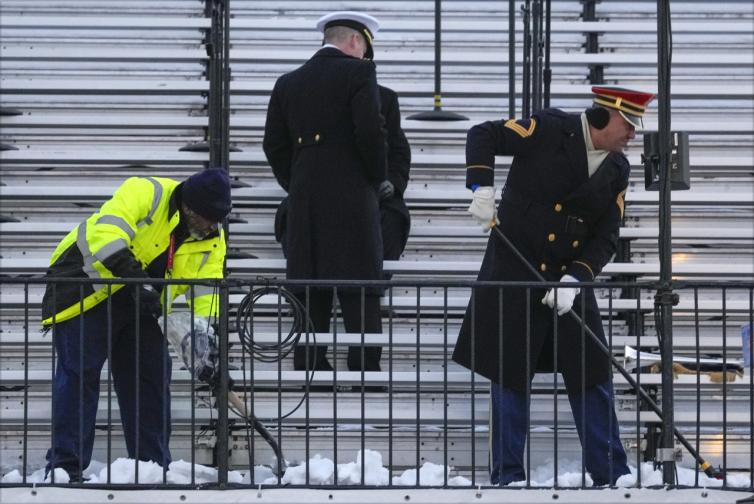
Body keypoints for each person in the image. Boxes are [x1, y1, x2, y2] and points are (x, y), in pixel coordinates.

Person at [452, 87, 656, 486]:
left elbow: (606, 237)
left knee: (592, 373)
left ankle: (612, 474)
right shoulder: (547, 128)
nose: (634, 133)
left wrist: (576, 278)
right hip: (515, 273)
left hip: (567, 282)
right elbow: (483, 134)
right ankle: (507, 475)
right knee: (509, 374)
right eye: (628, 124)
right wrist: (481, 187)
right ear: (602, 118)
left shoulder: (617, 169)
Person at [41, 168, 232, 481]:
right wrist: (138, 281)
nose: (212, 226)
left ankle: (151, 469)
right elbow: (105, 234)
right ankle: (65, 469)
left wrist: (205, 340)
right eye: (208, 218)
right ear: (188, 207)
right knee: (79, 375)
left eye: (218, 220)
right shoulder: (146, 192)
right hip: (85, 290)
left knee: (150, 380)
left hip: (144, 305)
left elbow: (207, 291)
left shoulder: (212, 238)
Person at [263, 11, 387, 372]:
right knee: (359, 291)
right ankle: (367, 378)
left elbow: (273, 145)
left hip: (305, 201)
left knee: (309, 289)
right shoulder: (360, 72)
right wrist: (373, 179)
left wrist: (298, 182)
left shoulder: (287, 82)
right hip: (352, 202)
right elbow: (370, 134)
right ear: (355, 42)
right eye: (364, 48)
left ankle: (312, 372)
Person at [274, 84, 412, 273]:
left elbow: (399, 151)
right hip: (321, 195)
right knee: (291, 212)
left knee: (393, 219)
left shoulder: (384, 99)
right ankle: (308, 289)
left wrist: (393, 183)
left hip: (372, 197)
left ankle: (371, 286)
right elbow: (286, 150)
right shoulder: (312, 96)